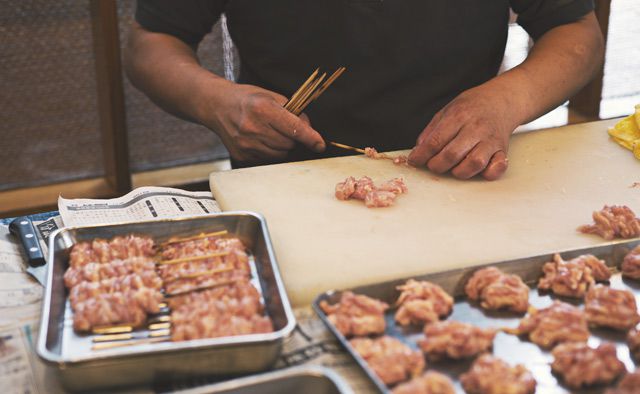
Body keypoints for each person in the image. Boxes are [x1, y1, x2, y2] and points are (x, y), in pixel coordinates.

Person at [124, 0, 603, 180]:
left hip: (462, 170)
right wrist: (216, 101)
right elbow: (151, 43)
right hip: (286, 179)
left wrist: (505, 100)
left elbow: (576, 29)